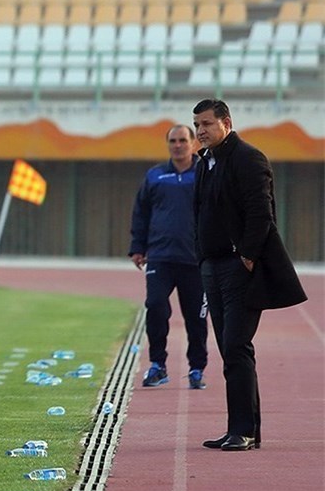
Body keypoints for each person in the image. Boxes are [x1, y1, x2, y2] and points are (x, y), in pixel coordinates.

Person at [192, 98, 307, 452]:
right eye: (197, 125)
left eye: (206, 124)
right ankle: (239, 429)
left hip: (238, 267)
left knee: (236, 345)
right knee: (230, 350)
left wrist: (247, 255)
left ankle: (243, 430)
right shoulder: (205, 164)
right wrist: (202, 260)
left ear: (226, 122)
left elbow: (262, 212)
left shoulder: (248, 158)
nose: (200, 132)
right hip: (212, 266)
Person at [129, 125, 208, 390]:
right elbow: (141, 212)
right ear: (168, 144)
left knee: (196, 317)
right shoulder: (155, 176)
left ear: (193, 143)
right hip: (161, 257)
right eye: (173, 141)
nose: (178, 145)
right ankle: (157, 365)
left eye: (183, 140)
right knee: (155, 306)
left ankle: (197, 368)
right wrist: (137, 247)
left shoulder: (206, 173)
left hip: (196, 259)